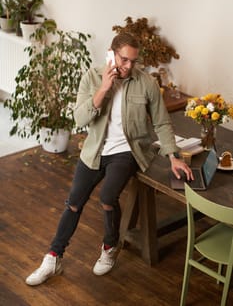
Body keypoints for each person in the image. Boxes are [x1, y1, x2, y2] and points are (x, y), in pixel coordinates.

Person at [25, 32, 193, 286]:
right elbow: (80, 120)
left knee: (107, 197)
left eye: (132, 61)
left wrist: (173, 156)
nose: (127, 66)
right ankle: (53, 257)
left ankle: (109, 246)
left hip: (127, 151)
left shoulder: (145, 82)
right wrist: (104, 88)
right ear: (111, 54)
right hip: (94, 150)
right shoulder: (91, 78)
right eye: (123, 59)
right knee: (73, 202)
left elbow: (161, 122)